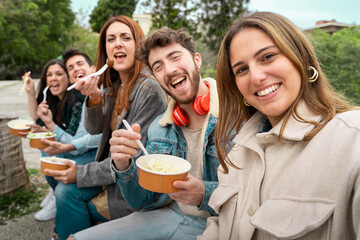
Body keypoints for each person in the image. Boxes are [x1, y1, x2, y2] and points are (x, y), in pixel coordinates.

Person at [198, 11, 360, 240]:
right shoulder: (235, 154)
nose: (256, 77)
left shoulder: (352, 140)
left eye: (267, 57)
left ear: (301, 58)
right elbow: (219, 224)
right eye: (242, 69)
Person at [71, 27, 232, 240]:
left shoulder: (236, 115)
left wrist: (204, 193)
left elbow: (254, 194)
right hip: (171, 214)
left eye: (175, 57)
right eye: (158, 66)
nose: (170, 70)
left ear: (197, 60)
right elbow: (141, 201)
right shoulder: (160, 127)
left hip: (225, 222)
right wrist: (123, 165)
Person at [43, 16, 168, 240]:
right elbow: (95, 129)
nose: (117, 43)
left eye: (125, 37)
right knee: (62, 186)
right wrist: (93, 98)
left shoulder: (148, 90)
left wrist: (80, 173)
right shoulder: (115, 84)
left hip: (131, 187)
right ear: (105, 49)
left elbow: (133, 160)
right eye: (111, 39)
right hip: (109, 172)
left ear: (139, 45)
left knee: (66, 196)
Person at [22, 59, 101, 222]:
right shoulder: (57, 99)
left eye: (59, 74)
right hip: (80, 148)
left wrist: (49, 127)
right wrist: (30, 92)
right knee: (46, 147)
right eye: (49, 75)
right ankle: (54, 193)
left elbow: (74, 144)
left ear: (68, 78)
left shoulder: (77, 100)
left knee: (51, 155)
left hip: (92, 155)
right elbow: (37, 118)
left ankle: (57, 196)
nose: (53, 78)